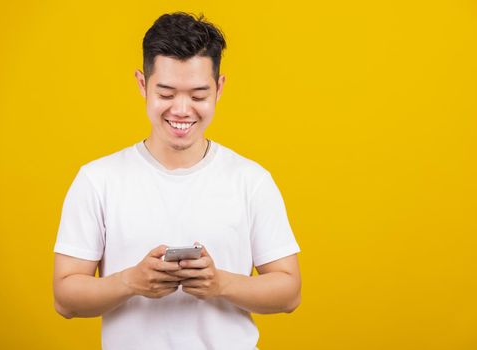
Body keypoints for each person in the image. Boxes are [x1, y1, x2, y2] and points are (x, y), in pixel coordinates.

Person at [52, 12, 301, 350]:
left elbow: (289, 292)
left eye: (198, 95)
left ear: (220, 87)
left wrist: (220, 283)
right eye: (166, 94)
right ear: (143, 85)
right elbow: (65, 298)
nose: (182, 110)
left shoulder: (250, 180)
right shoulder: (98, 180)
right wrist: (131, 282)